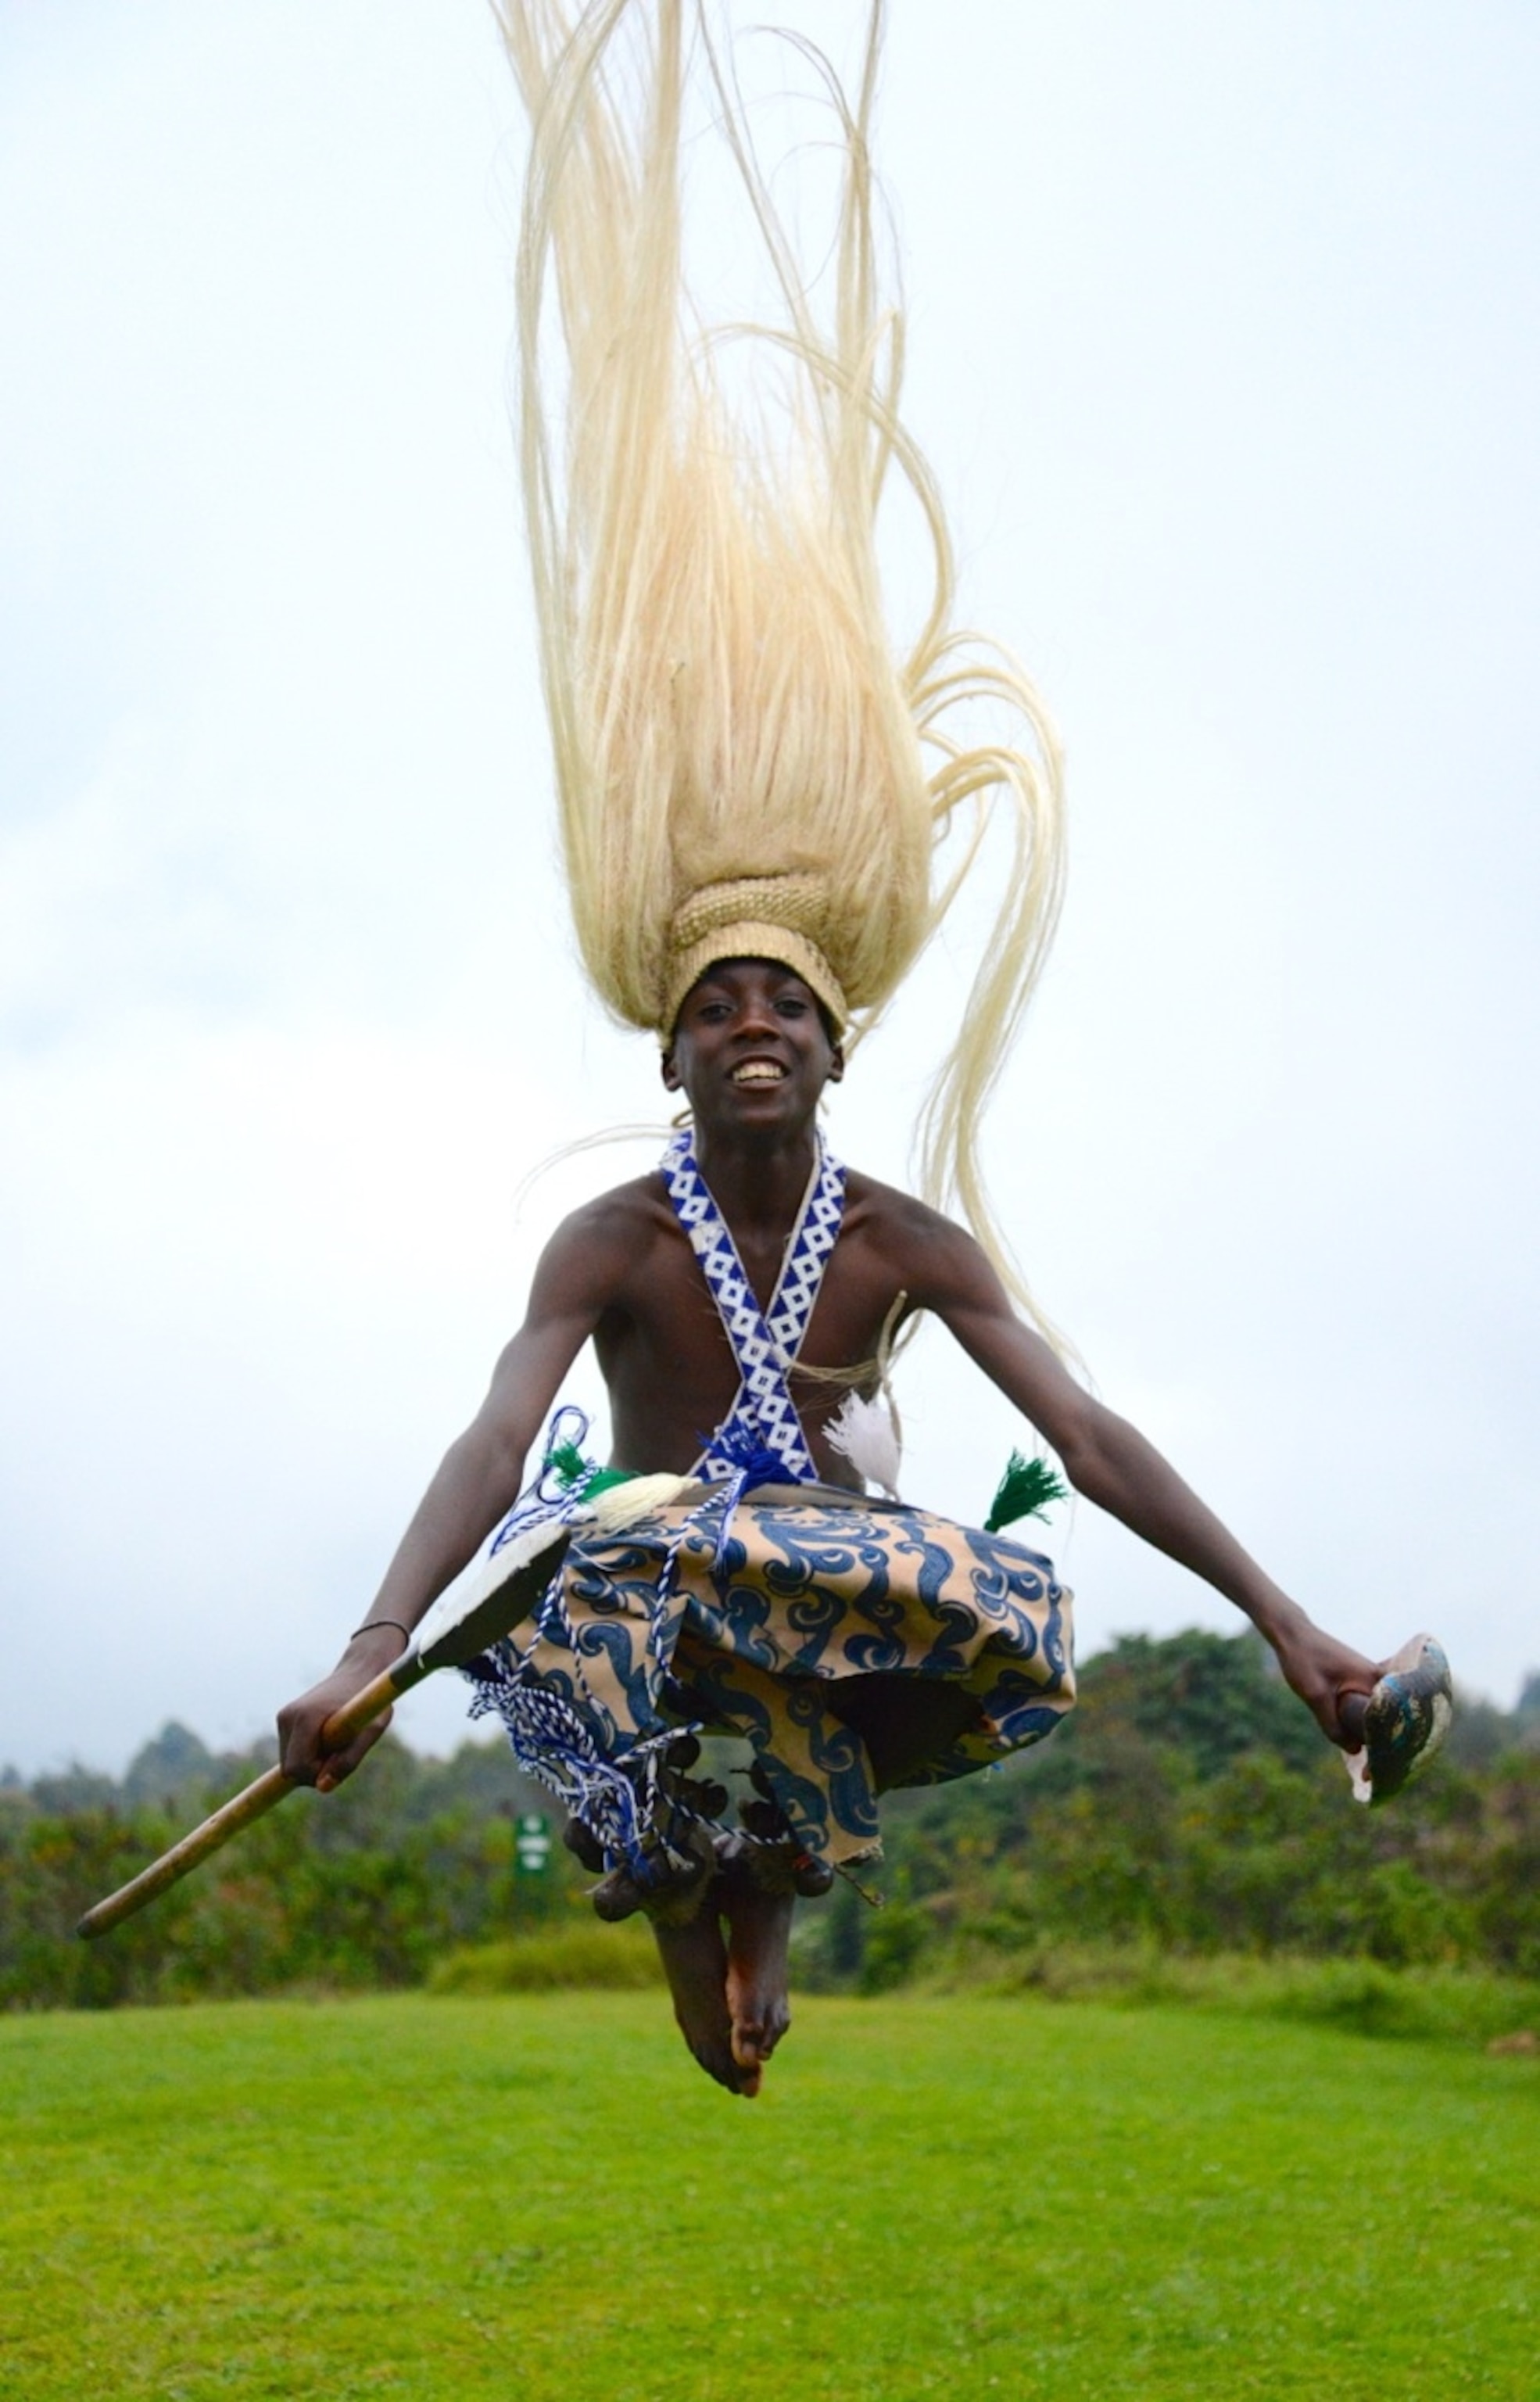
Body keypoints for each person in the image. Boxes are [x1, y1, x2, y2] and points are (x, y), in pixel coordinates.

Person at [278, 0, 1449, 2092]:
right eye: (713, 1003)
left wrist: (1292, 1634)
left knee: (880, 1598)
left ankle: (766, 1916)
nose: (747, 1024)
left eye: (783, 1009)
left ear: (830, 1054)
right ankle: (691, 1922)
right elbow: (491, 1441)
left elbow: (1082, 1441)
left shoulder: (899, 1243)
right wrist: (369, 1655)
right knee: (602, 1571)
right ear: (671, 1058)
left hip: (812, 1593)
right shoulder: (610, 1245)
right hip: (653, 1591)